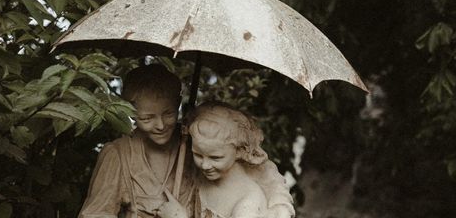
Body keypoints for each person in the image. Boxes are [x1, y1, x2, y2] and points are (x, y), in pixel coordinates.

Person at [78, 65, 294, 218]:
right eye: (147, 118)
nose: (161, 125)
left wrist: (279, 207)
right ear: (131, 113)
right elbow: (95, 213)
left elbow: (257, 169)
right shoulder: (119, 155)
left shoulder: (194, 142)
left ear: (179, 104)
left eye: (169, 114)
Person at [157, 102, 273, 218]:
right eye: (198, 155)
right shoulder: (202, 177)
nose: (205, 165)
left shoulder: (248, 204)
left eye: (215, 158)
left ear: (240, 151)